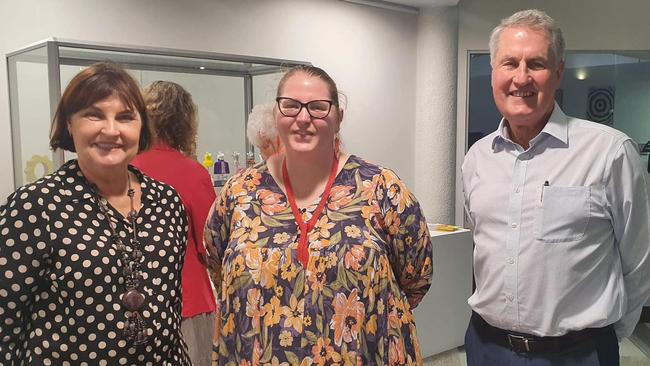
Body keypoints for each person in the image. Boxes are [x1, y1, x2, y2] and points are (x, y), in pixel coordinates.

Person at [204, 65, 433, 365]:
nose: (303, 118)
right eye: (290, 106)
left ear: (339, 117)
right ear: (276, 114)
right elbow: (218, 265)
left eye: (318, 108)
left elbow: (417, 277)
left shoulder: (381, 188)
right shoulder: (240, 192)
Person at [462, 9, 650, 366]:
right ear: (493, 72)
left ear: (559, 72)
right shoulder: (477, 158)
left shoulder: (609, 152)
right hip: (487, 348)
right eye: (509, 63)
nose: (521, 77)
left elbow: (639, 262)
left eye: (536, 64)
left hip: (578, 354)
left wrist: (603, 337)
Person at [0, 62, 191, 365]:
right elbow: (5, 324)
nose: (111, 130)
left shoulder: (168, 202)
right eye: (94, 114)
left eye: (126, 117)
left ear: (141, 127)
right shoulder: (36, 206)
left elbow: (169, 312)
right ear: (68, 124)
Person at [131, 80, 216, 366]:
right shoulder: (192, 173)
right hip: (187, 301)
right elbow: (210, 245)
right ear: (184, 122)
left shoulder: (123, 168)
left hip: (132, 303)